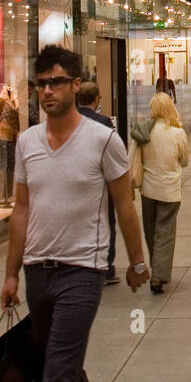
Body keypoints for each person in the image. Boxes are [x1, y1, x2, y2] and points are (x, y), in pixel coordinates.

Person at [1, 45, 149, 382]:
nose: (47, 91)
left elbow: (125, 204)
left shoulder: (104, 140)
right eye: (40, 83)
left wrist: (137, 262)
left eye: (56, 82)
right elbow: (21, 210)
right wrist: (10, 272)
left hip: (83, 272)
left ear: (75, 84)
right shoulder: (26, 143)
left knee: (56, 375)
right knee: (55, 362)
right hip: (38, 271)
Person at [139, 93, 189, 293]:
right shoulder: (178, 133)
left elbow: (134, 158)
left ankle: (156, 270)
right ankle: (158, 275)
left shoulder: (143, 130)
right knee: (165, 233)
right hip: (169, 190)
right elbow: (184, 161)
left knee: (151, 232)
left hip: (148, 189)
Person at [76, 80, 119, 284]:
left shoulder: (68, 122)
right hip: (101, 184)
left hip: (76, 185)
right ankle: (106, 266)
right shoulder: (104, 123)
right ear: (97, 99)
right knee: (106, 222)